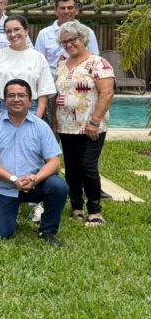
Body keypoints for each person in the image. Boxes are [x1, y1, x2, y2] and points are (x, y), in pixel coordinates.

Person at [0, 79, 68, 247]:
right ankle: (8, 213)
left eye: (21, 95)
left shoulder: (41, 126)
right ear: (4, 100)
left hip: (34, 184)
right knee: (0, 235)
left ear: (30, 100)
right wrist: (14, 179)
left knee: (58, 186)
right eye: (11, 95)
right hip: (4, 186)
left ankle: (48, 231)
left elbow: (54, 163)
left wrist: (35, 178)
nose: (16, 99)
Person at [53, 21, 115, 227]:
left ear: (83, 39)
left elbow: (107, 93)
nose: (69, 45)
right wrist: (54, 126)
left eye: (73, 40)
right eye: (64, 42)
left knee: (88, 166)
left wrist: (94, 122)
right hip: (66, 126)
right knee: (71, 168)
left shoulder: (98, 63)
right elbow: (57, 96)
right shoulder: (61, 64)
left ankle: (95, 210)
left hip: (91, 127)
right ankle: (76, 207)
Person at [0, 15, 55, 118]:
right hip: (1, 108)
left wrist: (38, 114)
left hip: (31, 110)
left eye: (17, 29)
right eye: (8, 31)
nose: (13, 34)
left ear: (26, 31)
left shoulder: (38, 57)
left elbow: (44, 89)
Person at [35, 0, 99, 78]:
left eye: (70, 8)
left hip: (81, 84)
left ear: (76, 10)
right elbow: (38, 64)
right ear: (56, 11)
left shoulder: (88, 32)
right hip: (52, 85)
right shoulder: (44, 34)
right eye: (62, 8)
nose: (66, 11)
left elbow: (95, 60)